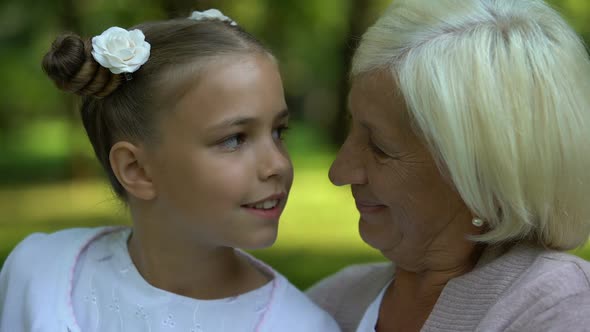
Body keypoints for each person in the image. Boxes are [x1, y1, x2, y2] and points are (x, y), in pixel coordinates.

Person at [0, 9, 340, 332]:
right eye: (235, 139)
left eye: (279, 132)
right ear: (137, 170)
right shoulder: (41, 274)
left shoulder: (300, 325)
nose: (278, 164)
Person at [306, 0, 590, 331]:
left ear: (484, 178)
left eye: (380, 147)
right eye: (350, 126)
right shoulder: (333, 301)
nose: (339, 172)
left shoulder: (560, 308)